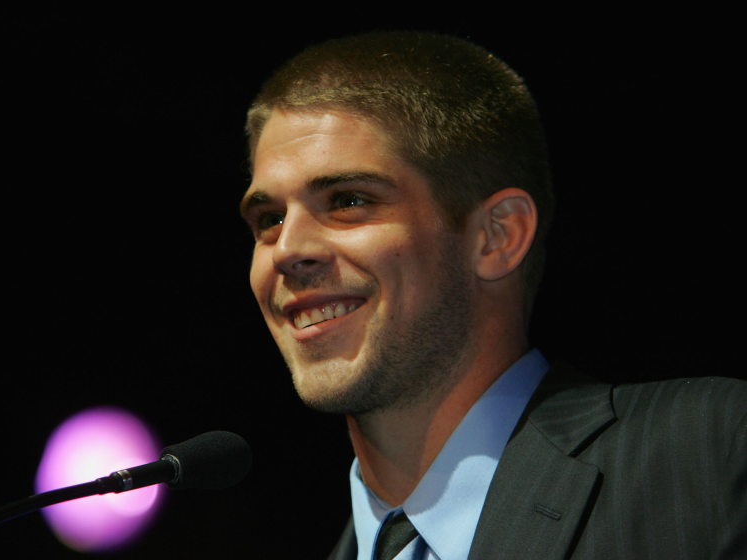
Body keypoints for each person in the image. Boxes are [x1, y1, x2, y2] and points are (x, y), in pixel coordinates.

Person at [239, 31, 746, 560]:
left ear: (497, 237)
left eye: (347, 200)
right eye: (268, 219)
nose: (286, 250)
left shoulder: (712, 451)